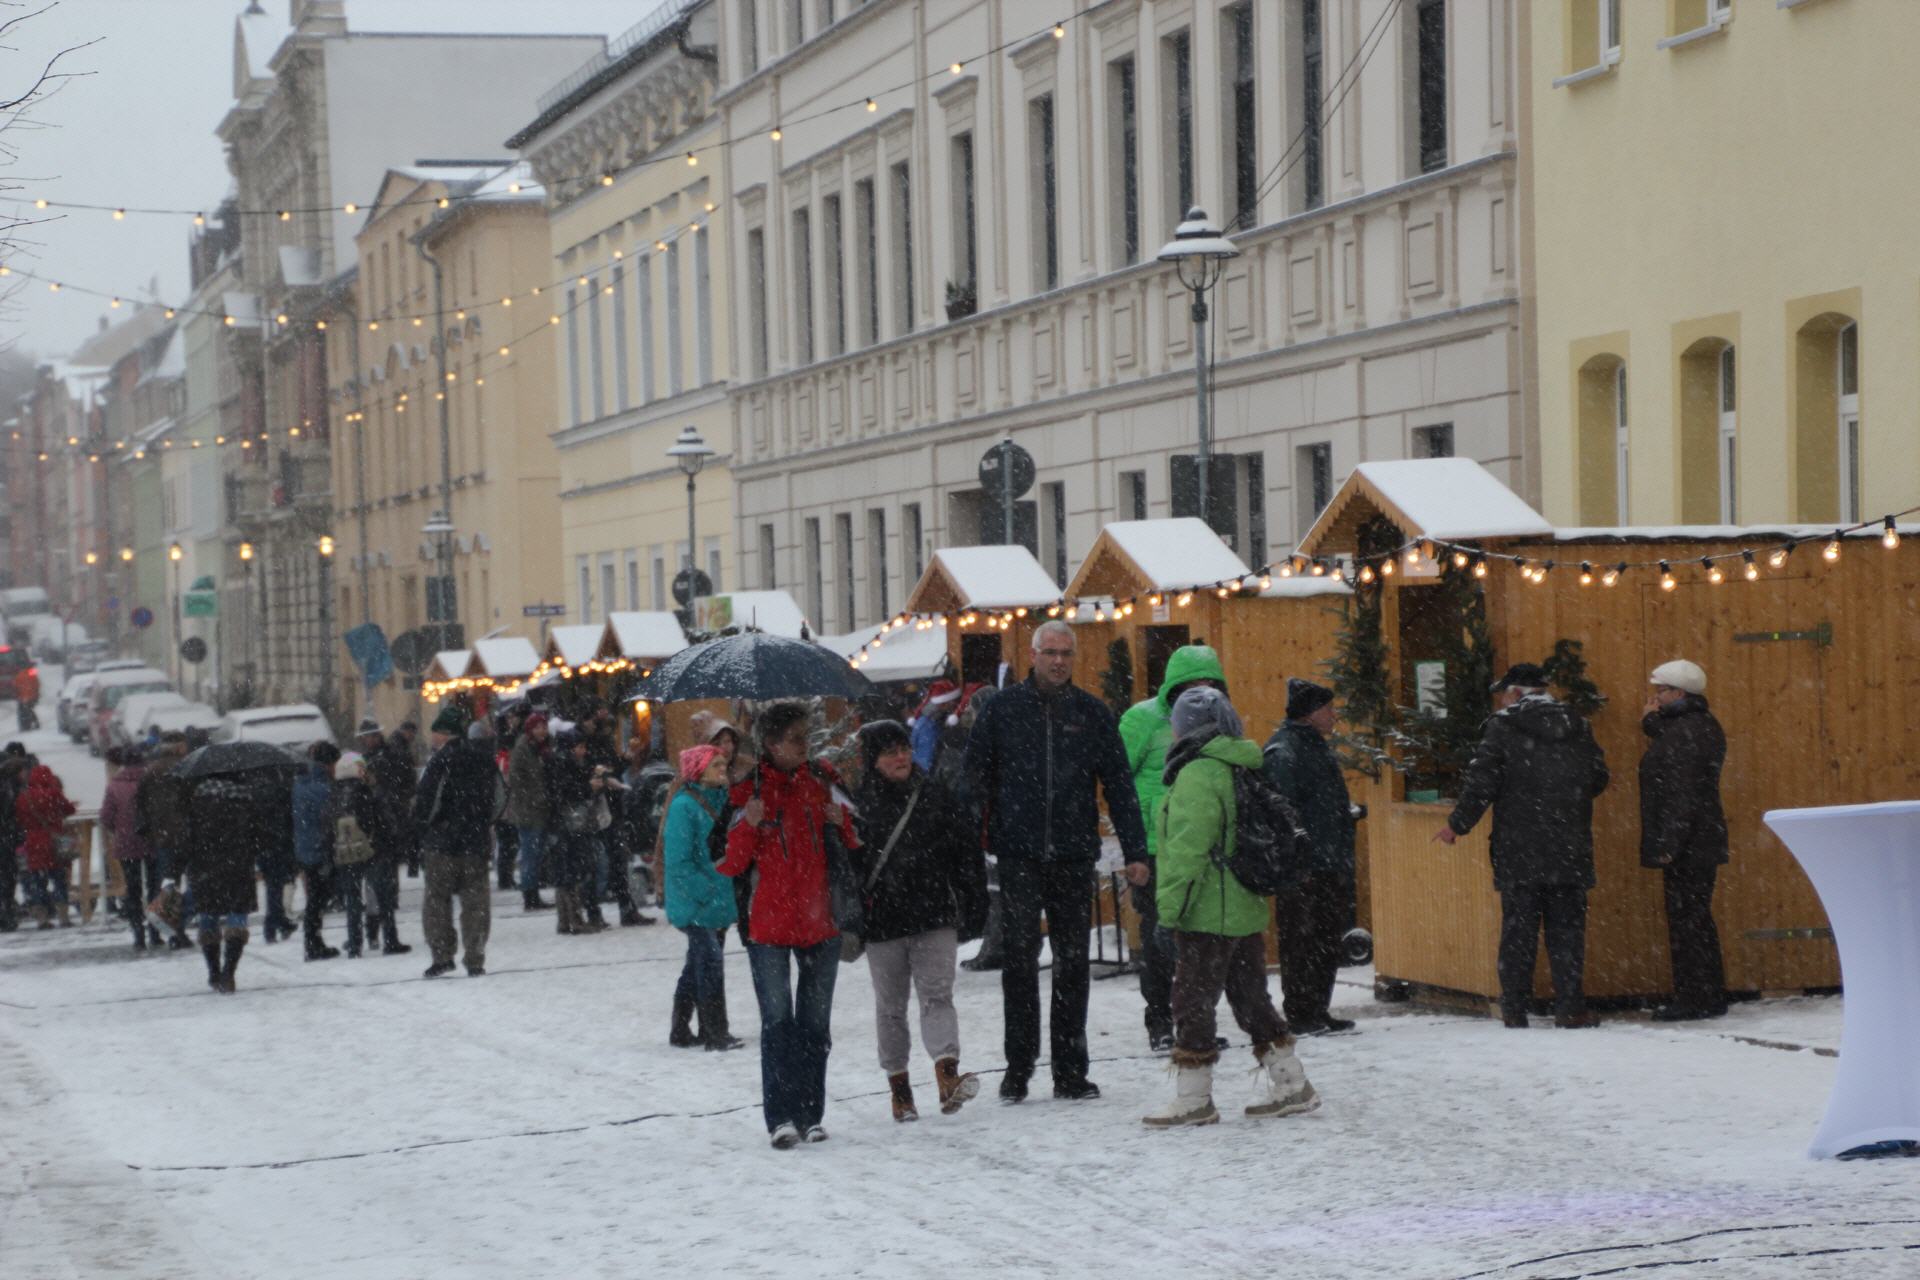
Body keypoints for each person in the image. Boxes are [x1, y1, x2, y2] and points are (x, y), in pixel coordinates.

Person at [963, 619, 1149, 1102]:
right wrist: (973, 841)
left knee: (1072, 964)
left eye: (1067, 653)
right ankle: (1018, 1067)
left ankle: (1070, 1069)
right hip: (1019, 854)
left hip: (1071, 854)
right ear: (1033, 654)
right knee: (1020, 964)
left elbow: (1120, 787)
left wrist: (1136, 851)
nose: (1059, 661)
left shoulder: (1091, 713)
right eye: (1051, 652)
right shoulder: (1004, 710)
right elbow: (973, 780)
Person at [1144, 687, 1319, 1127]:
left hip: (1207, 911)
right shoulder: (1239, 763)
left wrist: (1169, 913)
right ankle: (1292, 1083)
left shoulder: (1200, 773)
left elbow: (1187, 851)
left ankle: (1194, 1098)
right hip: (1242, 905)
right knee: (1250, 999)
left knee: (1191, 1002)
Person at [1435, 663, 1610, 1029]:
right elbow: (1598, 777)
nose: (1500, 701)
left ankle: (1514, 1007)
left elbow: (1482, 783)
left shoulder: (1504, 727)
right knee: (1567, 931)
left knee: (1518, 930)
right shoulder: (1577, 724)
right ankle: (1570, 1006)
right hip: (1570, 846)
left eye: (1503, 693)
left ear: (1516, 693)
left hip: (1519, 847)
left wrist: (1457, 825)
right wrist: (1566, 801)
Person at [718, 701, 855, 1149]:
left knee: (815, 1026)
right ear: (773, 744)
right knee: (777, 1024)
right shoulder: (747, 792)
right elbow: (728, 863)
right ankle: (780, 1116)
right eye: (796, 738)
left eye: (806, 737)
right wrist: (748, 825)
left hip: (821, 923)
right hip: (769, 926)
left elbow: (854, 847)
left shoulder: (822, 782)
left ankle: (810, 1113)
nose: (804, 745)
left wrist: (844, 825)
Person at [851, 720, 988, 1122]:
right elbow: (851, 867)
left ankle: (947, 1075)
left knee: (937, 996)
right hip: (883, 921)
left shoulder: (934, 795)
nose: (901, 757)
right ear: (873, 760)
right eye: (890, 751)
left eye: (905, 748)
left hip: (933, 913)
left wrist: (972, 900)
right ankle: (900, 1089)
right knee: (891, 1007)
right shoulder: (858, 806)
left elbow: (963, 852)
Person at [1118, 644, 1228, 1052]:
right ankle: (1161, 1022)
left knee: (1201, 940)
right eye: (1193, 683)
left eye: (1210, 683)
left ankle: (1196, 1021)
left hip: (1202, 845)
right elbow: (1117, 779)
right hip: (1155, 847)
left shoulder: (1220, 722)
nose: (1201, 690)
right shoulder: (1142, 720)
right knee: (1160, 941)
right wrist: (1132, 847)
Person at [1262, 678, 1359, 1035]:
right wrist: (1295, 854)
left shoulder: (1310, 746)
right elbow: (1280, 809)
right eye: (1327, 708)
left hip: (1327, 859)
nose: (1334, 715)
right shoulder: (1285, 750)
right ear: (1309, 712)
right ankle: (1302, 1013)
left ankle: (1317, 1009)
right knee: (1301, 941)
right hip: (1303, 864)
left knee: (1324, 938)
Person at [1639, 659, 1730, 1022]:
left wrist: (1669, 845)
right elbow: (1670, 743)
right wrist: (1650, 722)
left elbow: (1682, 793)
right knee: (1695, 920)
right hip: (1699, 840)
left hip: (1687, 844)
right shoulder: (1698, 726)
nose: (1655, 698)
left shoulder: (1686, 733)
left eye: (1661, 692)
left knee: (1687, 923)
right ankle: (1707, 994)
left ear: (1678, 693)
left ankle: (1695, 998)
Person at [661, 743, 743, 1051]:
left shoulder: (723, 799)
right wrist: (707, 891)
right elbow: (678, 860)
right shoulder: (684, 806)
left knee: (698, 963)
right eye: (716, 766)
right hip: (696, 901)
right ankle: (715, 1031)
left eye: (724, 764)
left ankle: (680, 1029)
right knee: (710, 963)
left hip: (715, 898)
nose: (723, 770)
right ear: (698, 770)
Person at [182, 765, 289, 993]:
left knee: (208, 918)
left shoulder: (196, 802)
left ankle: (213, 971)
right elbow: (260, 836)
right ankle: (229, 972)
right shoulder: (245, 800)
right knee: (237, 918)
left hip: (205, 869)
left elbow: (186, 838)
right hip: (238, 868)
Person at [413, 704, 499, 978]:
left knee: (437, 900)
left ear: (443, 734)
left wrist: (423, 827)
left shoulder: (439, 762)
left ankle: (442, 955)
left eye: (435, 732)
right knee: (476, 904)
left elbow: (427, 804)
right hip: (475, 843)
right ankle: (475, 957)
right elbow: (500, 797)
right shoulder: (484, 758)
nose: (432, 737)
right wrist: (483, 823)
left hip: (443, 844)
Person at [545, 727, 611, 936]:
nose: (583, 751)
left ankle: (566, 920)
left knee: (568, 872)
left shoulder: (568, 763)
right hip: (569, 824)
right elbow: (565, 792)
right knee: (572, 871)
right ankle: (573, 919)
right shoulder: (563, 764)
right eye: (579, 747)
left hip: (569, 824)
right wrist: (588, 787)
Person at [133, 732, 194, 950]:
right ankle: (176, 929)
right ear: (179, 747)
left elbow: (139, 804)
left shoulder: (151, 771)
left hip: (163, 838)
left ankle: (163, 930)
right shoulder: (188, 768)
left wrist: (150, 830)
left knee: (168, 886)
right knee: (196, 883)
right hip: (189, 836)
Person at [100, 746, 160, 951]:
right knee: (155, 887)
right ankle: (156, 931)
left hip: (126, 843)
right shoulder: (152, 780)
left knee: (132, 890)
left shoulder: (115, 785)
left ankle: (138, 934)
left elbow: (106, 817)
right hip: (152, 841)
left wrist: (119, 829)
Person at [329, 751, 386, 958]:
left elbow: (327, 825)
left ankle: (354, 942)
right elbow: (374, 819)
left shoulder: (333, 793)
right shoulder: (364, 791)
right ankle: (374, 935)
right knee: (373, 893)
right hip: (366, 850)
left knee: (352, 898)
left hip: (344, 853)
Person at [293, 742, 343, 962]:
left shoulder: (301, 784)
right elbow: (330, 818)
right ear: (329, 764)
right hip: (319, 848)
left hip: (304, 847)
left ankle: (313, 941)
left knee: (315, 897)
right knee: (318, 899)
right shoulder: (324, 788)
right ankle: (313, 943)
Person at [504, 710, 554, 912]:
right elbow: (517, 780)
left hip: (541, 810)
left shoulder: (543, 749)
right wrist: (538, 797)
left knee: (536, 853)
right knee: (530, 854)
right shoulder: (523, 749)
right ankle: (530, 896)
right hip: (528, 811)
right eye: (539, 727)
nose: (543, 730)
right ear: (530, 729)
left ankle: (534, 893)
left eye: (544, 726)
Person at [17, 763, 75, 928]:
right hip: (54, 842)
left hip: (33, 842)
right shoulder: (54, 793)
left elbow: (20, 818)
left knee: (38, 881)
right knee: (59, 880)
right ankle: (63, 916)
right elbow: (69, 809)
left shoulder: (24, 797)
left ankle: (42, 918)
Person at [0, 746, 27, 931]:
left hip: (6, 839)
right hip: (6, 839)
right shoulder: (9, 787)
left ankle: (6, 913)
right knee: (7, 879)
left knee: (7, 879)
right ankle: (6, 913)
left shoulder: (8, 785)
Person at [13, 664, 39, 731]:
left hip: (22, 697)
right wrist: (36, 693)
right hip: (32, 696)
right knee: (29, 709)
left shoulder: (18, 675)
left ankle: (26, 724)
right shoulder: (31, 672)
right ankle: (34, 722)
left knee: (25, 710)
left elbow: (15, 686)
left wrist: (17, 694)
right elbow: (36, 683)